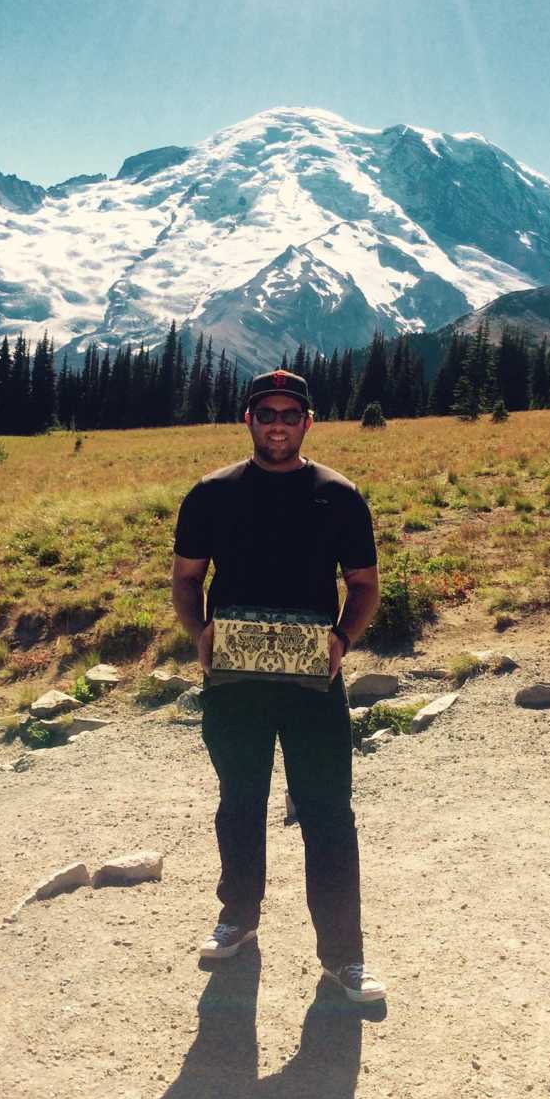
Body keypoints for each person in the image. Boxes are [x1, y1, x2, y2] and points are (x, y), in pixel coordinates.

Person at [172, 368, 386, 1003]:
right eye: (266, 413)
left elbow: (366, 585)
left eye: (290, 414)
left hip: (313, 684)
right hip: (234, 682)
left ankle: (344, 957)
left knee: (328, 815)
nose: (277, 424)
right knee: (239, 803)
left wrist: (342, 641)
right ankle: (237, 918)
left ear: (308, 423)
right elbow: (187, 580)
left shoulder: (338, 495)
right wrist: (199, 634)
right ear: (248, 420)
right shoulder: (211, 494)